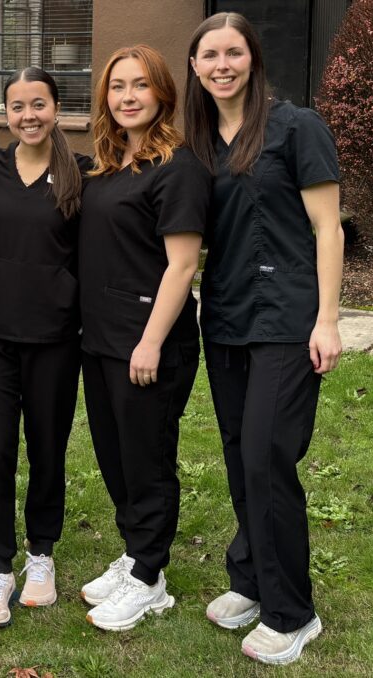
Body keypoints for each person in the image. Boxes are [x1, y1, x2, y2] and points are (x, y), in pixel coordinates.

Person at [184, 12, 343, 665]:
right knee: (235, 452)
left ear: (252, 58)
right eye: (208, 55)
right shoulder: (199, 142)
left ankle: (292, 611)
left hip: (287, 317)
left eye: (232, 52)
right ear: (195, 67)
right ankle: (250, 577)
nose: (220, 64)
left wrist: (328, 319)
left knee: (265, 457)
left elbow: (328, 228)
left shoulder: (297, 128)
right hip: (224, 317)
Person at [78, 45, 211, 631]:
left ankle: (151, 577)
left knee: (147, 460)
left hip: (150, 344)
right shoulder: (108, 165)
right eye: (116, 87)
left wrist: (151, 342)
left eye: (139, 86)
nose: (127, 97)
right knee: (114, 457)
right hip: (101, 340)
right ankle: (135, 552)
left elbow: (182, 265)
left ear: (163, 93)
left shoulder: (178, 167)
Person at [0, 67, 90, 628]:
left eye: (38, 104)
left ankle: (41, 556)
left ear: (56, 109)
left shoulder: (79, 173)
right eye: (17, 107)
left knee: (47, 449)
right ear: (5, 114)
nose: (29, 116)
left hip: (55, 336)